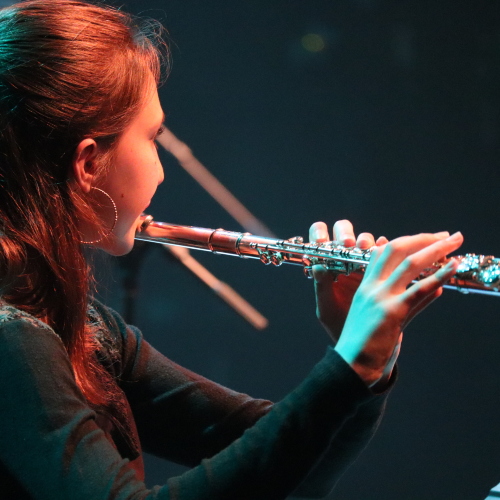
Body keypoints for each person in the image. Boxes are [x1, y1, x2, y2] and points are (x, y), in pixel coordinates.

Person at [0, 1, 463, 499]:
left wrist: (368, 356)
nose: (160, 168)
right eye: (153, 137)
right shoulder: (13, 340)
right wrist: (350, 364)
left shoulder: (87, 326)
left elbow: (287, 468)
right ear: (88, 163)